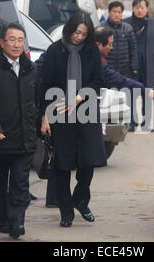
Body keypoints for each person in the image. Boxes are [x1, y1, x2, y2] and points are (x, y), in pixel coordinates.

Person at [38, 26, 154, 208]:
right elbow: (38, 74)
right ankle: (57, 199)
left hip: (82, 117)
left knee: (79, 159)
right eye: (110, 44)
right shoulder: (58, 53)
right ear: (97, 44)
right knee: (59, 157)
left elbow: (115, 79)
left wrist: (146, 91)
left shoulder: (93, 61)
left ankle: (69, 200)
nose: (112, 48)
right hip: (58, 113)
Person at [40, 12, 106, 228]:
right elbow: (44, 85)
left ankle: (80, 199)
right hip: (59, 111)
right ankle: (66, 212)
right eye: (77, 32)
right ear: (69, 29)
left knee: (89, 162)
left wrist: (80, 96)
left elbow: (98, 80)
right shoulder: (54, 51)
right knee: (62, 166)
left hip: (85, 109)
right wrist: (45, 116)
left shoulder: (92, 50)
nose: (79, 37)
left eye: (84, 34)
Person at [0, 22, 38, 239]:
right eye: (12, 39)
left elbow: (37, 101)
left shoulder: (31, 69)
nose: (16, 44)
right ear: (2, 43)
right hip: (0, 138)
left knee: (21, 183)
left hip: (24, 137)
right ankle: (2, 219)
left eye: (20, 40)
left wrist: (43, 122)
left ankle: (17, 222)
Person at [123, 0, 154, 132]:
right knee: (131, 92)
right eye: (137, 8)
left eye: (142, 8)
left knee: (148, 92)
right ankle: (132, 123)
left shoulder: (153, 23)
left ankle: (147, 123)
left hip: (149, 63)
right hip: (131, 63)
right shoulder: (126, 23)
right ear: (133, 9)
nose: (140, 10)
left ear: (147, 9)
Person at [101, 1, 139, 131]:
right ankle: (110, 123)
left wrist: (134, 67)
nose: (117, 15)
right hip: (108, 69)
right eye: (114, 12)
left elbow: (133, 49)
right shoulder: (102, 28)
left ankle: (132, 123)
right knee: (109, 98)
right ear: (109, 12)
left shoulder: (127, 28)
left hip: (125, 69)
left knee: (128, 96)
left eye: (119, 12)